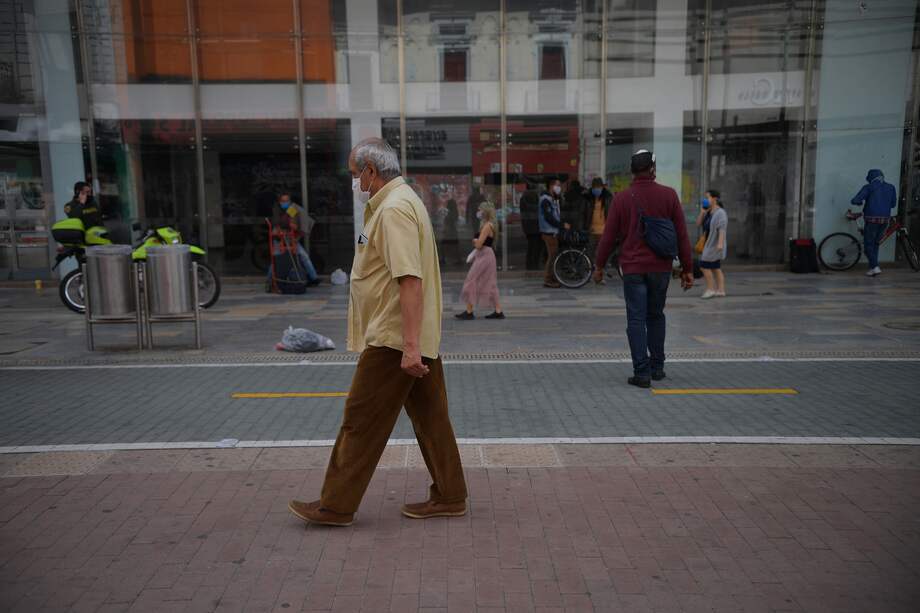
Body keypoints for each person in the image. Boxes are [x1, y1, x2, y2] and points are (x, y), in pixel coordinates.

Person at [288, 137, 467, 527]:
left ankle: (335, 505)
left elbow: (409, 281)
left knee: (360, 420)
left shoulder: (394, 210)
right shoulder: (402, 202)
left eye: (355, 174)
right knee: (432, 419)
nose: (354, 182)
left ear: (371, 171)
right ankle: (451, 496)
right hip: (412, 337)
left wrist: (409, 348)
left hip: (394, 338)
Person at [593, 150, 693, 388]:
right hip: (661, 267)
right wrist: (688, 269)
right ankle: (657, 368)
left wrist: (598, 265)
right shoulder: (669, 195)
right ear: (653, 169)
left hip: (633, 268)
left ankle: (642, 373)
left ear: (632, 171)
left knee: (636, 318)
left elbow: (608, 237)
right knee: (656, 315)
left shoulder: (622, 198)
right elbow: (681, 235)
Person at [456, 201, 504, 320]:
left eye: (480, 210)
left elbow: (478, 245)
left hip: (484, 255)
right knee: (490, 283)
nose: (478, 212)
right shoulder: (488, 224)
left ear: (486, 211)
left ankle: (469, 311)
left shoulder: (487, 226)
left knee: (471, 280)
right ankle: (498, 311)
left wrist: (474, 241)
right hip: (486, 255)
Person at [267, 193, 319, 289]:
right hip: (279, 239)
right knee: (275, 260)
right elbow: (277, 222)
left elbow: (294, 221)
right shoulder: (277, 210)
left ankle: (314, 278)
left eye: (287, 201)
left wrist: (294, 226)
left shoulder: (292, 209)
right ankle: (269, 281)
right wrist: (288, 224)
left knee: (304, 256)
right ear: (280, 202)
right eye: (283, 201)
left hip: (290, 238)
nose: (285, 203)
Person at [851, 169, 897, 276]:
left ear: (870, 177)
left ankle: (875, 266)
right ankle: (872, 268)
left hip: (871, 220)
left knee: (868, 245)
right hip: (885, 220)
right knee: (876, 244)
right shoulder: (891, 187)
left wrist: (859, 203)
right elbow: (893, 204)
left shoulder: (868, 187)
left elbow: (855, 200)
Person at [699, 190, 727, 298]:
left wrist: (720, 244)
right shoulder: (709, 211)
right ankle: (720, 290)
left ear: (715, 199)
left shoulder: (720, 213)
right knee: (715, 267)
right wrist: (702, 212)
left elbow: (722, 229)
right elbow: (698, 223)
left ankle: (711, 289)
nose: (705, 200)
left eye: (708, 197)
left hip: (714, 245)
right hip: (708, 243)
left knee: (704, 265)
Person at [539, 178, 566, 288]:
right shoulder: (545, 199)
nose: (559, 188)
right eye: (557, 185)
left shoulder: (552, 198)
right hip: (548, 231)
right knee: (552, 255)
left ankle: (552, 277)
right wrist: (561, 225)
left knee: (554, 255)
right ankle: (548, 279)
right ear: (551, 186)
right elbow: (548, 216)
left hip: (552, 231)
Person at [584, 177, 614, 272]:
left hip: (604, 230)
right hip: (591, 230)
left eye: (599, 187)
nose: (597, 189)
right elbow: (583, 213)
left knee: (601, 254)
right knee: (589, 253)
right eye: (595, 187)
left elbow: (612, 213)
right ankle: (588, 272)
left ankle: (599, 274)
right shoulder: (587, 197)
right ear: (592, 188)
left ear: (602, 187)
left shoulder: (608, 197)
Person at [519, 183, 543, 270]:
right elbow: (538, 210)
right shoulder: (535, 197)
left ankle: (529, 265)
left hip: (527, 226)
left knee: (531, 247)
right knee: (536, 247)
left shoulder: (523, 198)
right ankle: (534, 265)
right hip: (536, 225)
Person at [440, 199, 461, 266]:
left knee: (444, 246)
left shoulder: (450, 213)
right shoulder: (455, 212)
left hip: (448, 233)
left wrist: (444, 230)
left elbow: (447, 223)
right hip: (453, 232)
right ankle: (458, 259)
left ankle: (443, 259)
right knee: (455, 246)